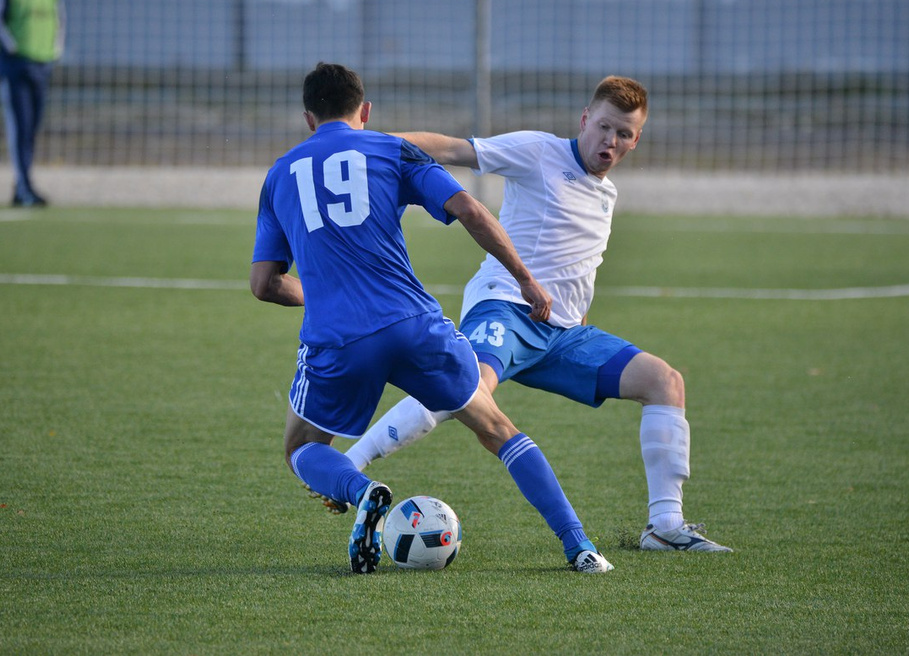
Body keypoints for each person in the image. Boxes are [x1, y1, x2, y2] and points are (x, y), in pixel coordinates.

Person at [326, 75, 732, 553]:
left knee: (665, 382)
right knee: (466, 388)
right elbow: (456, 149)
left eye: (623, 134)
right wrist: (368, 145)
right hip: (508, 308)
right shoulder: (539, 151)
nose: (611, 141)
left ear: (635, 139)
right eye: (603, 127)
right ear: (585, 120)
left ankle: (665, 525)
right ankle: (353, 462)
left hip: (561, 335)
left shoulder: (606, 193)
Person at [251, 62, 612, 574]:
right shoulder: (391, 148)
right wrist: (526, 279)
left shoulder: (278, 175)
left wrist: (327, 295)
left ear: (309, 118)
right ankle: (579, 546)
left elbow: (263, 285)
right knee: (497, 428)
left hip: (340, 338)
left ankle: (362, 489)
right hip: (415, 324)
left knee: (301, 450)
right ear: (366, 111)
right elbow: (469, 209)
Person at [0, 0, 64, 207]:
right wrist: (13, 48)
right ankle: (24, 187)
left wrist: (54, 51)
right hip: (16, 67)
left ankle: (25, 185)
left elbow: (59, 20)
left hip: (42, 66)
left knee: (31, 129)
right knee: (19, 128)